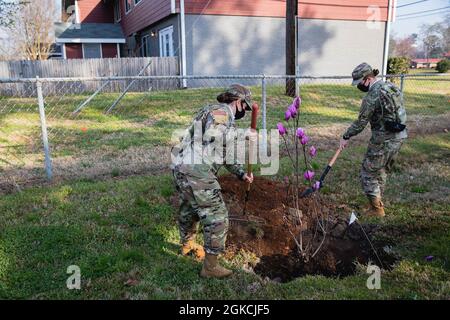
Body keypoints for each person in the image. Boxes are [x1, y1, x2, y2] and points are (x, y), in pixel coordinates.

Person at [171, 84, 254, 278]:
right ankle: (210, 267)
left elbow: (226, 155)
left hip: (180, 166)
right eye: (245, 106)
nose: (245, 111)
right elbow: (214, 134)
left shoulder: (213, 113)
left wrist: (241, 174)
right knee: (217, 216)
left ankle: (186, 245)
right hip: (196, 170)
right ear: (238, 102)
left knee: (189, 209)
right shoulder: (221, 112)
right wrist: (243, 134)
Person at [340, 63, 408, 217]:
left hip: (383, 140)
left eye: (360, 83)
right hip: (399, 136)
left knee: (368, 173)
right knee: (381, 171)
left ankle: (377, 210)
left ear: (368, 78)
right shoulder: (390, 87)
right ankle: (376, 202)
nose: (359, 86)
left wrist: (346, 136)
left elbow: (361, 122)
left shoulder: (372, 96)